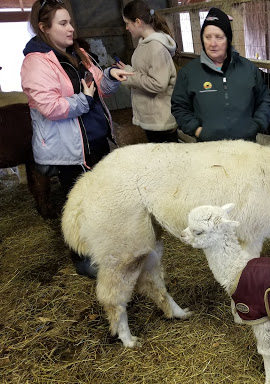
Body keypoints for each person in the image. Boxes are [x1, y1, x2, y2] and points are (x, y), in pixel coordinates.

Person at [21, 0, 132, 278]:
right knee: (79, 205)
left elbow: (99, 87)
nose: (71, 28)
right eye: (63, 23)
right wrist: (84, 100)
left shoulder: (78, 53)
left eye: (70, 22)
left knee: (102, 198)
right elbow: (50, 107)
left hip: (95, 139)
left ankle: (107, 249)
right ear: (44, 27)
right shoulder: (36, 63)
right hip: (71, 149)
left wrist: (110, 76)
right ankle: (83, 258)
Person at [171, 7, 270, 142]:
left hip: (245, 149)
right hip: (209, 148)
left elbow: (264, 99)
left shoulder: (249, 69)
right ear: (202, 39)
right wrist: (196, 129)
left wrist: (258, 123)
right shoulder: (189, 73)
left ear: (228, 39)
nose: (213, 43)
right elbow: (179, 106)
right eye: (207, 37)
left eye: (219, 37)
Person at [119, 0, 179, 143]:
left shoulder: (155, 47)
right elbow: (146, 74)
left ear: (138, 22)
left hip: (160, 121)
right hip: (152, 118)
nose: (127, 28)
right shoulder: (145, 44)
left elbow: (159, 84)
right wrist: (129, 72)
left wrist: (130, 76)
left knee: (168, 161)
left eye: (128, 23)